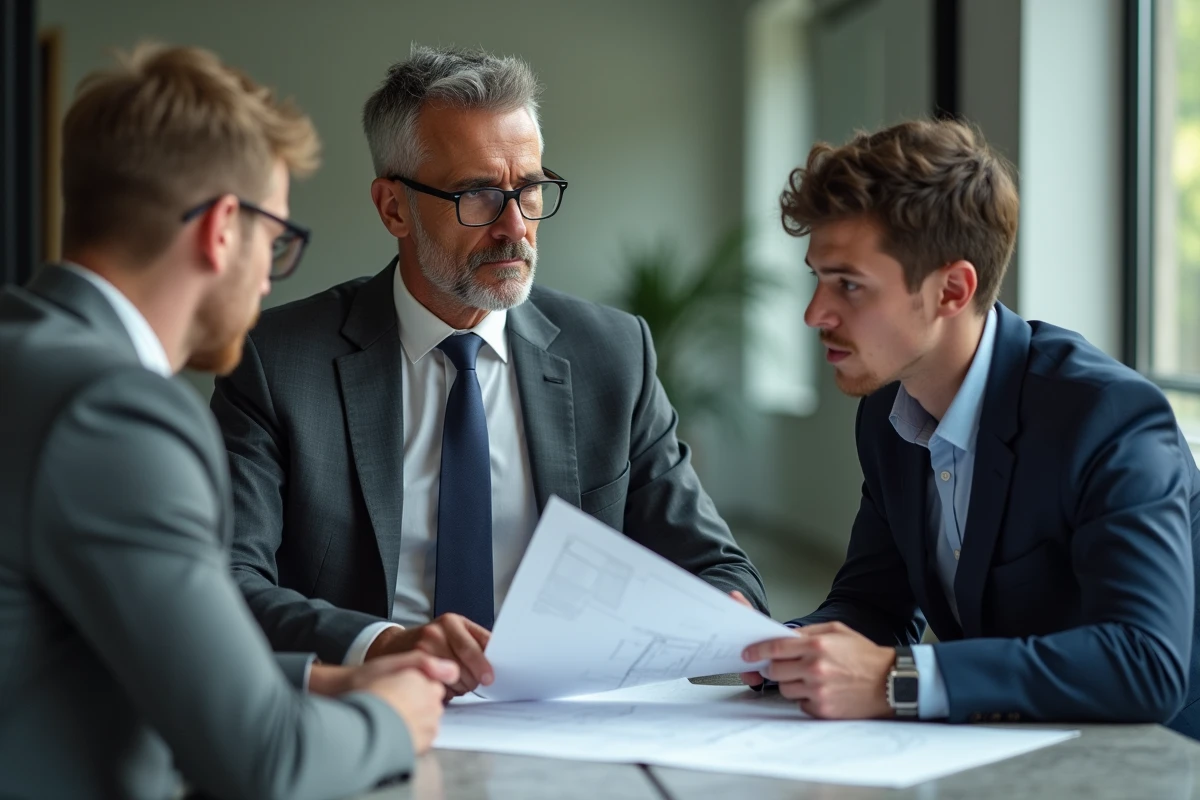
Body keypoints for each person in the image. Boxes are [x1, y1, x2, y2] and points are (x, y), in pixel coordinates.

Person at [211, 45, 768, 694]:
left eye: (529, 190)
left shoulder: (613, 354)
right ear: (393, 207)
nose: (514, 228)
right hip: (368, 708)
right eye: (477, 194)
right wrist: (383, 644)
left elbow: (717, 566)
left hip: (568, 721)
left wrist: (724, 613)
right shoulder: (278, 361)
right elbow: (226, 579)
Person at [0, 44, 458, 800]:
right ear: (221, 230)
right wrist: (391, 713)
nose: (268, 272)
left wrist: (323, 679)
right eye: (275, 241)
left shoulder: (25, 360)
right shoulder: (115, 414)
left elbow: (78, 650)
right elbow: (266, 763)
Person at [736, 118, 1200, 736]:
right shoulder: (886, 411)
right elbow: (875, 602)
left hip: (1156, 760)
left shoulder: (1106, 417)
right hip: (1008, 747)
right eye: (817, 279)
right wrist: (784, 647)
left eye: (849, 285)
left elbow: (1146, 666)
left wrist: (889, 680)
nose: (815, 313)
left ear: (953, 289)